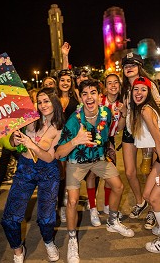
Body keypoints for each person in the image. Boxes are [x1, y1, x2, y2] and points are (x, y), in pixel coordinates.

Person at [56, 79, 134, 263]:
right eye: (85, 94)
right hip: (77, 161)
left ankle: (112, 221)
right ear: (81, 98)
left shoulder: (105, 112)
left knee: (118, 186)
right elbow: (59, 153)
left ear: (100, 96)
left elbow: (114, 131)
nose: (89, 97)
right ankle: (73, 240)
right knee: (73, 201)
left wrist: (109, 145)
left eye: (93, 93)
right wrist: (76, 140)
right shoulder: (74, 120)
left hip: (98, 158)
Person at [1, 87, 64, 263]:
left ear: (55, 102)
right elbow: (14, 142)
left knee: (46, 219)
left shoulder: (59, 126)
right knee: (9, 218)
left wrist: (32, 144)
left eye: (46, 101)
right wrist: (15, 136)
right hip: (25, 168)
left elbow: (49, 156)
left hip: (48, 171)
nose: (42, 105)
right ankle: (18, 249)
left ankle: (49, 241)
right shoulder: (29, 118)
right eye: (40, 101)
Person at [130, 76, 160, 253]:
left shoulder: (146, 111)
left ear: (149, 92)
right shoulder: (143, 110)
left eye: (143, 89)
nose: (139, 93)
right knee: (148, 195)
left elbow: (158, 142)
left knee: (156, 199)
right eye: (136, 89)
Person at [121, 52, 160, 230]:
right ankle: (141, 202)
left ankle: (153, 209)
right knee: (130, 172)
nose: (129, 68)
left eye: (133, 64)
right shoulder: (124, 89)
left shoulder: (148, 84)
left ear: (139, 67)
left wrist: (147, 107)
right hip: (130, 132)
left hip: (146, 132)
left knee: (148, 171)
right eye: (126, 66)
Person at [85, 73, 127, 226]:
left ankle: (108, 206)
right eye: (109, 83)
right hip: (94, 139)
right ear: (105, 86)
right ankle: (93, 208)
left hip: (109, 141)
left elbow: (120, 128)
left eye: (116, 82)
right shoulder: (99, 100)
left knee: (111, 173)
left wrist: (124, 114)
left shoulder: (122, 103)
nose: (113, 85)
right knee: (91, 175)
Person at [56, 68, 79, 223]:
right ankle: (59, 207)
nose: (65, 83)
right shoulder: (53, 97)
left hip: (73, 138)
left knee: (71, 172)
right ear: (58, 82)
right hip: (57, 139)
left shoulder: (76, 95)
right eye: (62, 80)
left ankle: (67, 201)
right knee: (60, 173)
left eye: (68, 80)